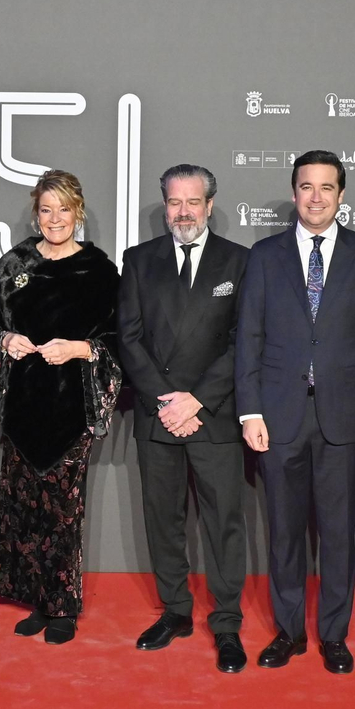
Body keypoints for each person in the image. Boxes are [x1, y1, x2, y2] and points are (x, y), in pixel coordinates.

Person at [235, 150, 355, 674]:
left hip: (344, 418)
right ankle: (288, 632)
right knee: (282, 532)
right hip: (278, 417)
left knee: (339, 534)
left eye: (327, 187)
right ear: (294, 192)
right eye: (306, 186)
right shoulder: (264, 255)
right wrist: (249, 410)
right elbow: (248, 338)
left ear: (342, 196)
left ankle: (335, 635)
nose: (316, 196)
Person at [117, 163, 251, 673]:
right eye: (174, 202)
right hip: (158, 415)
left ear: (210, 205)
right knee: (163, 518)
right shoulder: (139, 260)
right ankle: (175, 611)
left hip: (213, 414)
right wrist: (167, 399)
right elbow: (128, 338)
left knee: (223, 522)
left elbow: (244, 340)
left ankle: (228, 623)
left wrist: (196, 400)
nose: (184, 212)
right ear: (164, 205)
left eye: (193, 202)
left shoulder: (240, 261)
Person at [0, 169, 121, 644]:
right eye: (46, 209)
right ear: (35, 212)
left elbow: (118, 342)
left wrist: (80, 349)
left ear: (78, 211)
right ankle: (35, 600)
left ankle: (62, 607)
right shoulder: (12, 265)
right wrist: (6, 341)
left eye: (64, 209)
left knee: (63, 513)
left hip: (71, 412)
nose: (55, 218)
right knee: (25, 509)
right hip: (23, 408)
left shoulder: (100, 270)